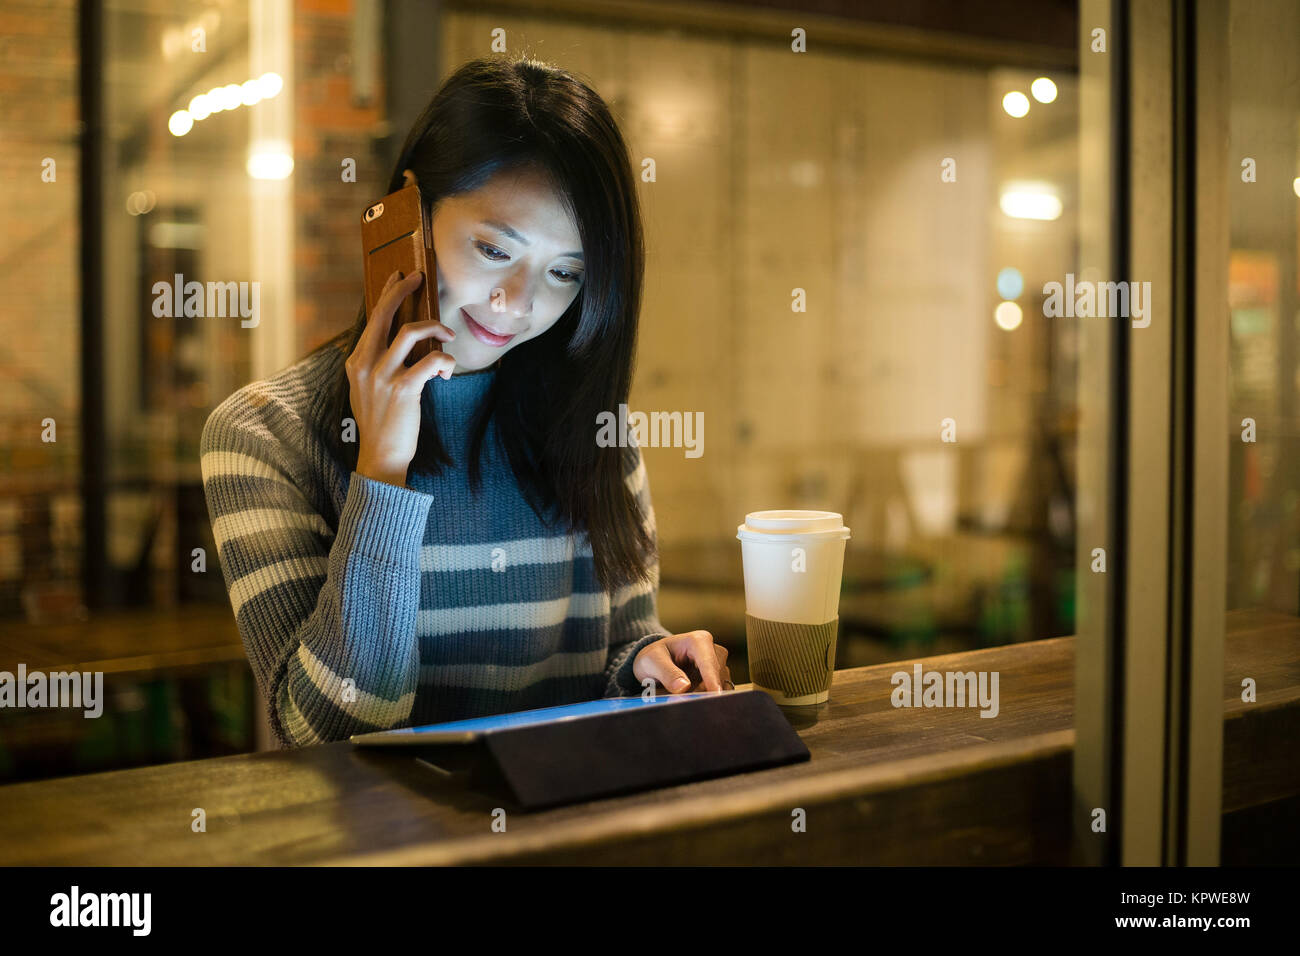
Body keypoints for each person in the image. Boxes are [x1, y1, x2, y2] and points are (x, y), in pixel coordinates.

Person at [200, 55, 732, 747]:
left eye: (565, 271)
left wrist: (649, 662)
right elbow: (325, 728)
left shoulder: (591, 424)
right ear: (405, 213)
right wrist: (382, 474)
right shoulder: (263, 434)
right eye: (491, 248)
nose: (519, 303)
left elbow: (619, 644)